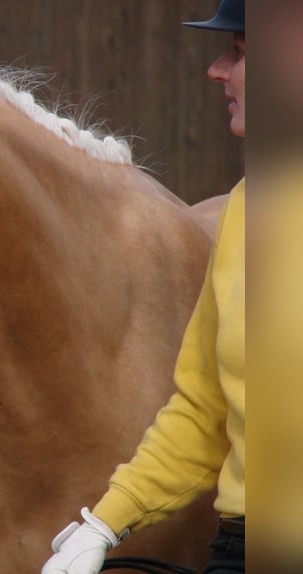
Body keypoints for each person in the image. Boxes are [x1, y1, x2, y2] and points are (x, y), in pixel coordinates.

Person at [40, 1, 246, 573]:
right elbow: (204, 410)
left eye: (241, 53)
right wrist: (104, 522)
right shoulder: (247, 211)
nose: (216, 70)